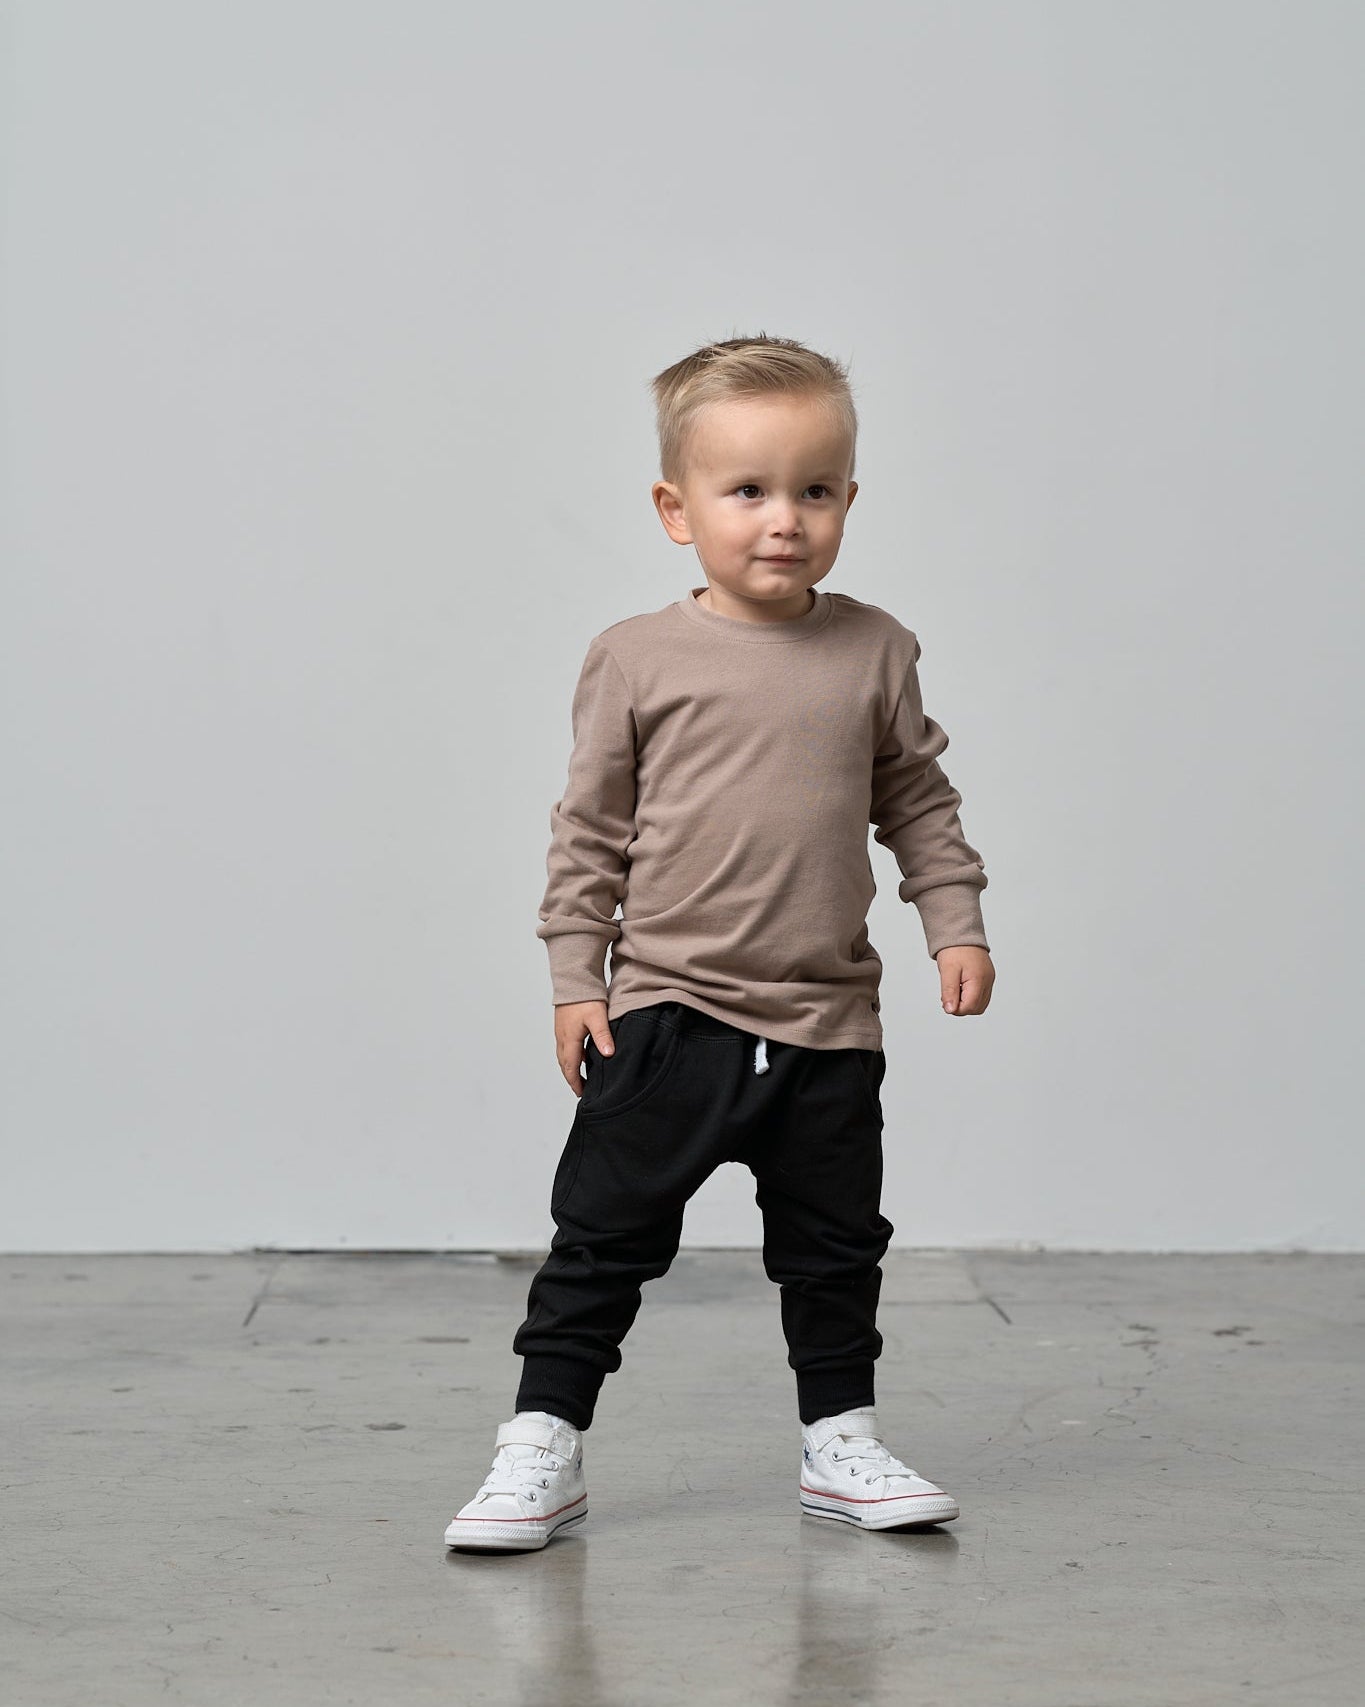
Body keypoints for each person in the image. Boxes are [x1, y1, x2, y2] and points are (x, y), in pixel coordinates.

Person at [445, 333, 995, 1552]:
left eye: (814, 490)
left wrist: (953, 921)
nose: (783, 519)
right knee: (603, 1239)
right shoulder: (636, 658)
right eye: (747, 490)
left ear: (849, 499)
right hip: (670, 1013)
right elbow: (589, 832)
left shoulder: (876, 649)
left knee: (835, 1250)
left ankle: (840, 1441)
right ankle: (542, 1442)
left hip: (827, 1022)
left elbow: (918, 802)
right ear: (676, 510)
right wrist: (574, 979)